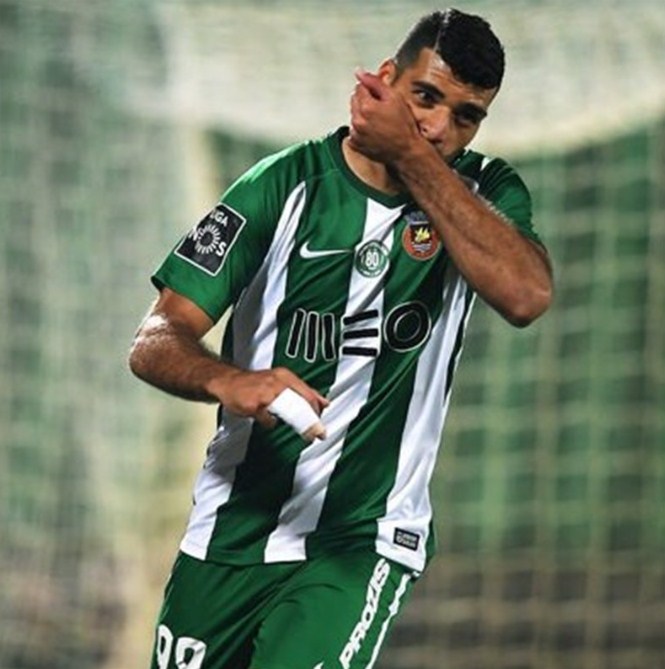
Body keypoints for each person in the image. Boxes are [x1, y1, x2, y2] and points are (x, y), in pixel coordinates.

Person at [129, 8, 553, 669]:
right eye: (424, 97)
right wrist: (228, 379)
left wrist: (409, 153)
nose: (439, 127)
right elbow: (157, 336)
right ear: (385, 79)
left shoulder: (482, 196)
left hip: (361, 542)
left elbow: (525, 295)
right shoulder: (281, 185)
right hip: (229, 531)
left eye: (466, 116)